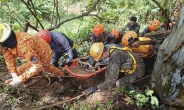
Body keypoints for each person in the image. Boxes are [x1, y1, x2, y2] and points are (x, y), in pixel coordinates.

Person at [0, 23, 65, 87]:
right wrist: (14, 74)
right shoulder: (6, 44)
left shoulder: (24, 45)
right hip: (32, 53)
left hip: (44, 53)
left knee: (46, 67)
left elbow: (37, 66)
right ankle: (22, 79)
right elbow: (9, 57)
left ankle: (62, 74)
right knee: (18, 71)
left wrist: (20, 79)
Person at [84, 32, 145, 96]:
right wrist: (106, 81)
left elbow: (113, 79)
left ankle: (133, 91)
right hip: (134, 61)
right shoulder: (111, 48)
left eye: (100, 58)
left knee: (118, 84)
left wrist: (97, 87)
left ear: (103, 54)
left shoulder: (115, 57)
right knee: (109, 68)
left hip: (138, 70)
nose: (101, 59)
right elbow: (109, 68)